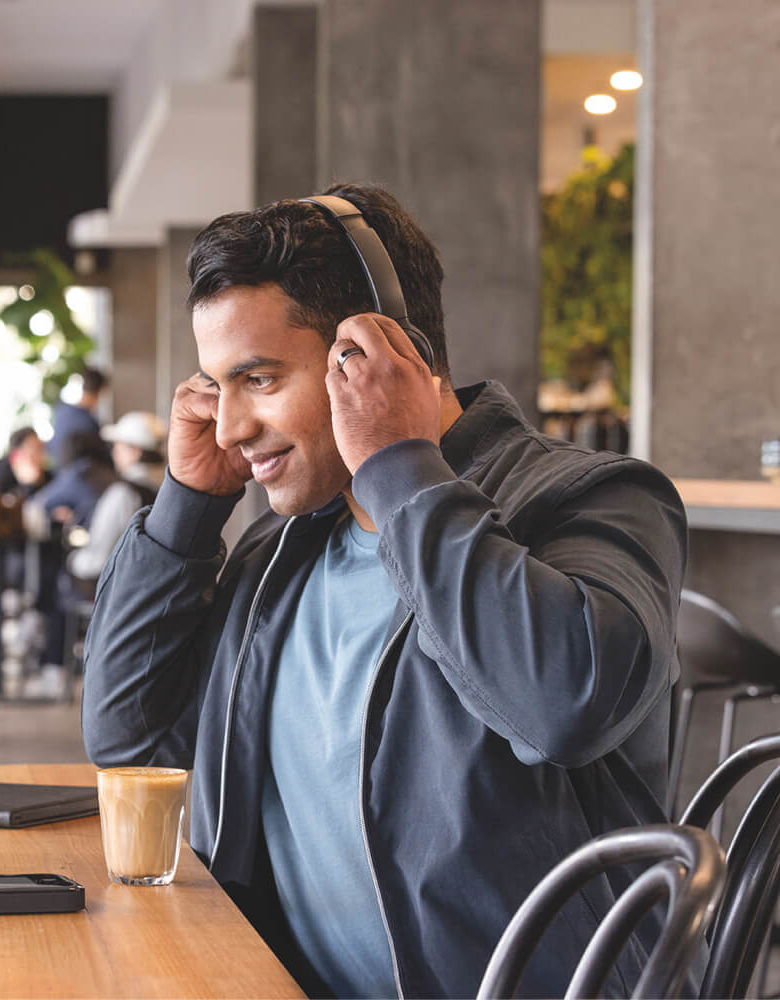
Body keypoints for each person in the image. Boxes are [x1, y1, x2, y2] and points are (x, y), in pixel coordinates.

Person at [80, 185, 687, 998]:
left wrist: (399, 466)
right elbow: (127, 737)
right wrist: (188, 509)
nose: (227, 426)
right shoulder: (281, 550)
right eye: (216, 386)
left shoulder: (593, 498)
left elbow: (564, 705)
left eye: (256, 379)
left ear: (373, 351)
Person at [66, 410, 167, 583]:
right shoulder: (166, 490)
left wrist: (72, 559)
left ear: (135, 451)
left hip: (124, 593)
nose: (114, 453)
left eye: (119, 446)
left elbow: (97, 561)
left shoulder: (123, 493)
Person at [50, 366, 108, 469]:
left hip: (58, 475)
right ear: (99, 392)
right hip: (80, 477)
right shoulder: (88, 422)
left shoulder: (61, 411)